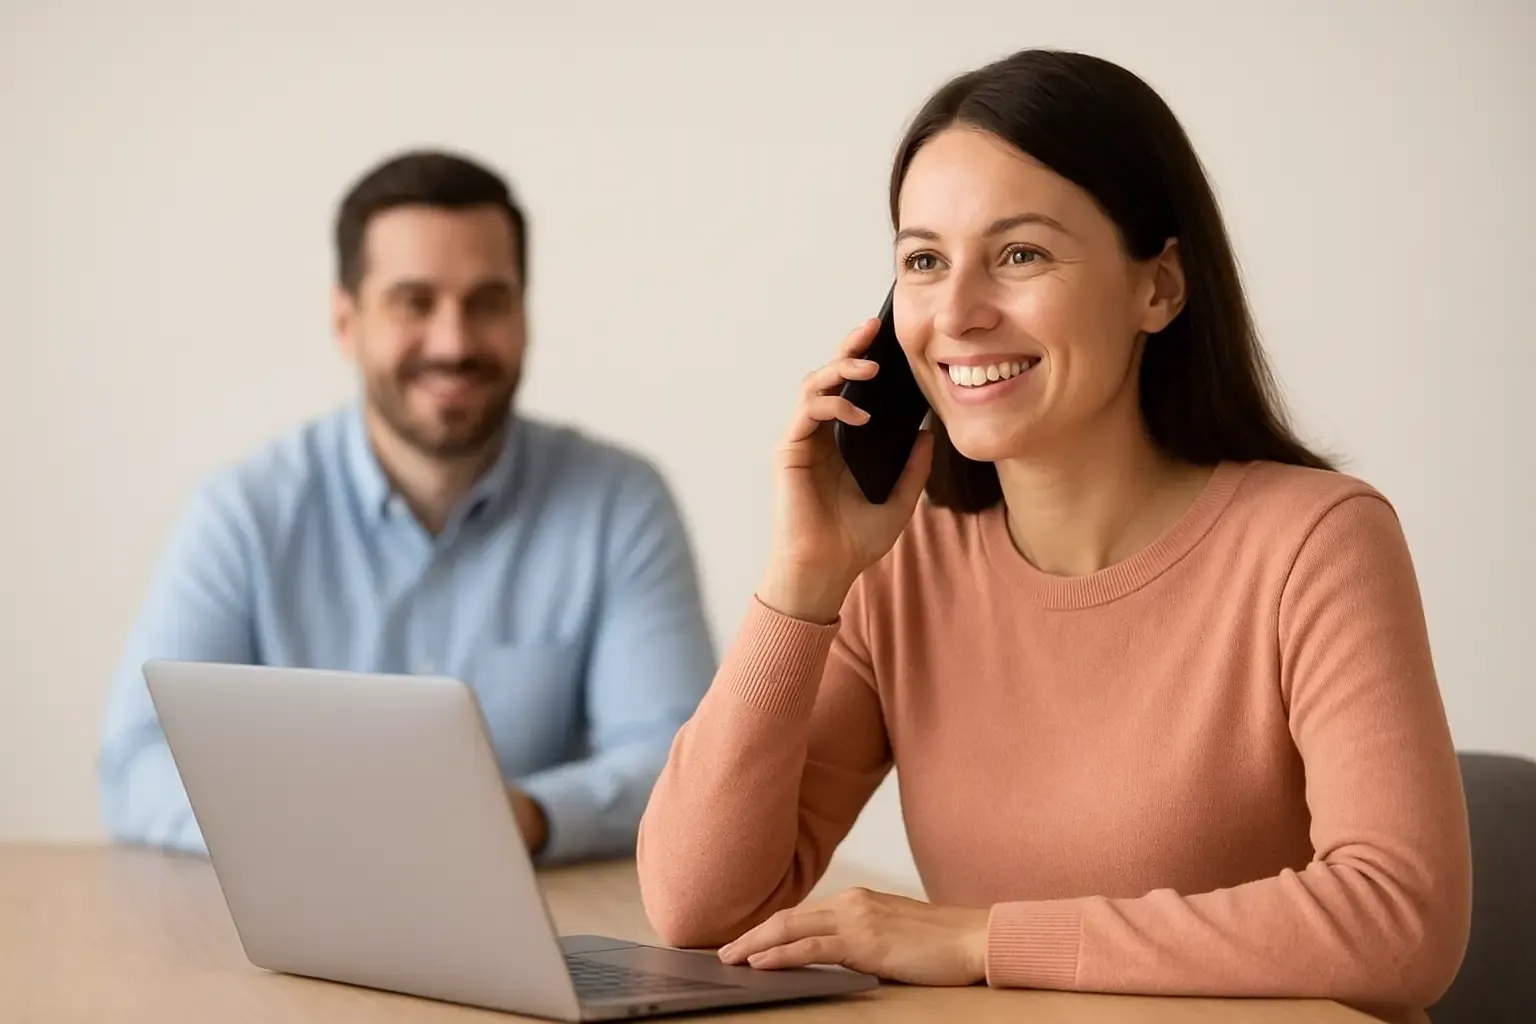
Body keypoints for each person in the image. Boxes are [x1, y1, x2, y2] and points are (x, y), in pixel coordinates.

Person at [635, 49, 1470, 1023]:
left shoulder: (1316, 543)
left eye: (1020, 254)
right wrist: (801, 582)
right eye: (922, 261)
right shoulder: (905, 564)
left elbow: (1401, 922)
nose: (957, 313)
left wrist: (981, 938)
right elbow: (696, 909)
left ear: (1157, 288)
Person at [99, 149, 716, 865]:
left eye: (488, 301)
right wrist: (333, 827)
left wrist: (524, 816)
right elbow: (138, 766)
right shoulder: (243, 514)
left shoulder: (619, 504)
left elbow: (679, 771)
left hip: (542, 918)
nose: (453, 343)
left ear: (524, 315)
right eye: (414, 302)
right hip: (294, 923)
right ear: (345, 321)